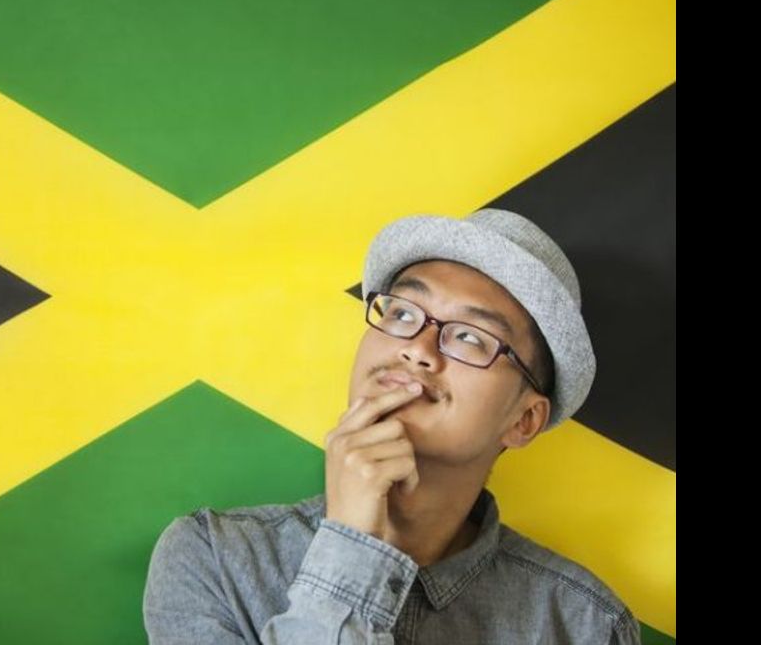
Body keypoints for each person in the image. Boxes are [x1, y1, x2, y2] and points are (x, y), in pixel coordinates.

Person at [143, 208, 642, 644]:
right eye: (403, 313)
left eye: (470, 337)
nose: (417, 350)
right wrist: (351, 543)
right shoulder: (216, 559)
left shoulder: (585, 625)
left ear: (524, 419)